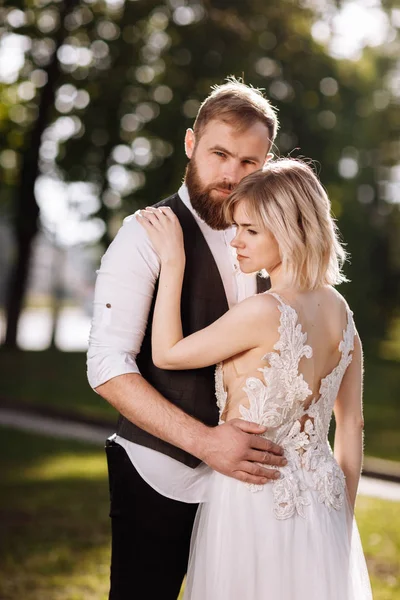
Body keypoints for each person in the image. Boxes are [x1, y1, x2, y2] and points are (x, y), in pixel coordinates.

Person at [87, 78, 288, 599]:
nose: (231, 174)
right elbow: (107, 366)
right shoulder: (142, 235)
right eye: (220, 153)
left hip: (249, 487)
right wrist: (205, 443)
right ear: (191, 144)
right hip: (160, 473)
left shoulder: (277, 242)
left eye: (249, 162)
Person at [137, 158, 373, 600]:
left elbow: (166, 354)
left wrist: (173, 261)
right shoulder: (343, 311)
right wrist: (342, 515)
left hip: (254, 498)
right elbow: (352, 425)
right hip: (325, 503)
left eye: (250, 230)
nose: (236, 243)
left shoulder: (264, 311)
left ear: (288, 230)